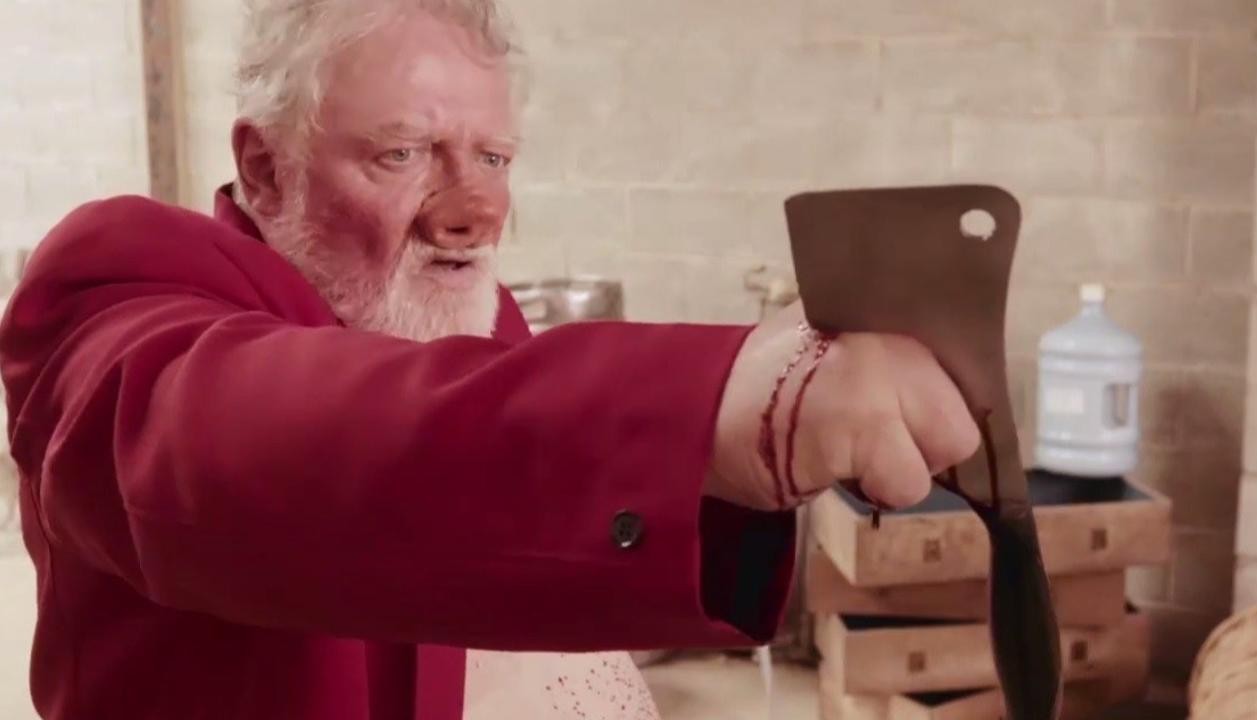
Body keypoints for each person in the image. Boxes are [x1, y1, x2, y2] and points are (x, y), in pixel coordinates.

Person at [0, 1, 980, 719]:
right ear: (264, 167)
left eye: (494, 159)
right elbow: (252, 446)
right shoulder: (116, 289)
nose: (472, 211)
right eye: (401, 154)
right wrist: (715, 407)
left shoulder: (472, 323)